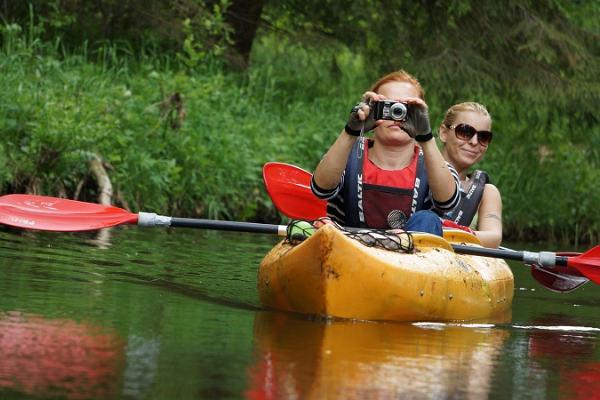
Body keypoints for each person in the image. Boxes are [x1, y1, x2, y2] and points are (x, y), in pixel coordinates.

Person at [310, 70, 460, 235]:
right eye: (388, 106)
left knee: (427, 218)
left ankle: (399, 243)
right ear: (373, 109)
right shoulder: (346, 155)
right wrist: (351, 131)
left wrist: (425, 136)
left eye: (405, 108)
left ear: (420, 114)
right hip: (348, 252)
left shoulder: (435, 166)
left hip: (412, 257)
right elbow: (320, 189)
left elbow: (448, 203)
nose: (396, 115)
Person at [439, 102, 502, 248]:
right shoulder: (414, 171)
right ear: (443, 132)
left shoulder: (487, 193)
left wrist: (440, 231)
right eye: (465, 132)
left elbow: (493, 238)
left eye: (483, 137)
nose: (474, 142)